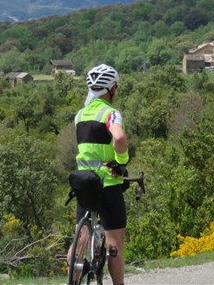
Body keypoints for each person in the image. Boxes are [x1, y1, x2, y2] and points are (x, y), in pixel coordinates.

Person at [73, 63, 131, 285]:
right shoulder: (110, 113)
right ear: (112, 88)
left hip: (83, 183)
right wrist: (121, 162)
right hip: (107, 182)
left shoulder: (79, 115)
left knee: (79, 243)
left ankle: (73, 278)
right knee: (114, 243)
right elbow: (118, 138)